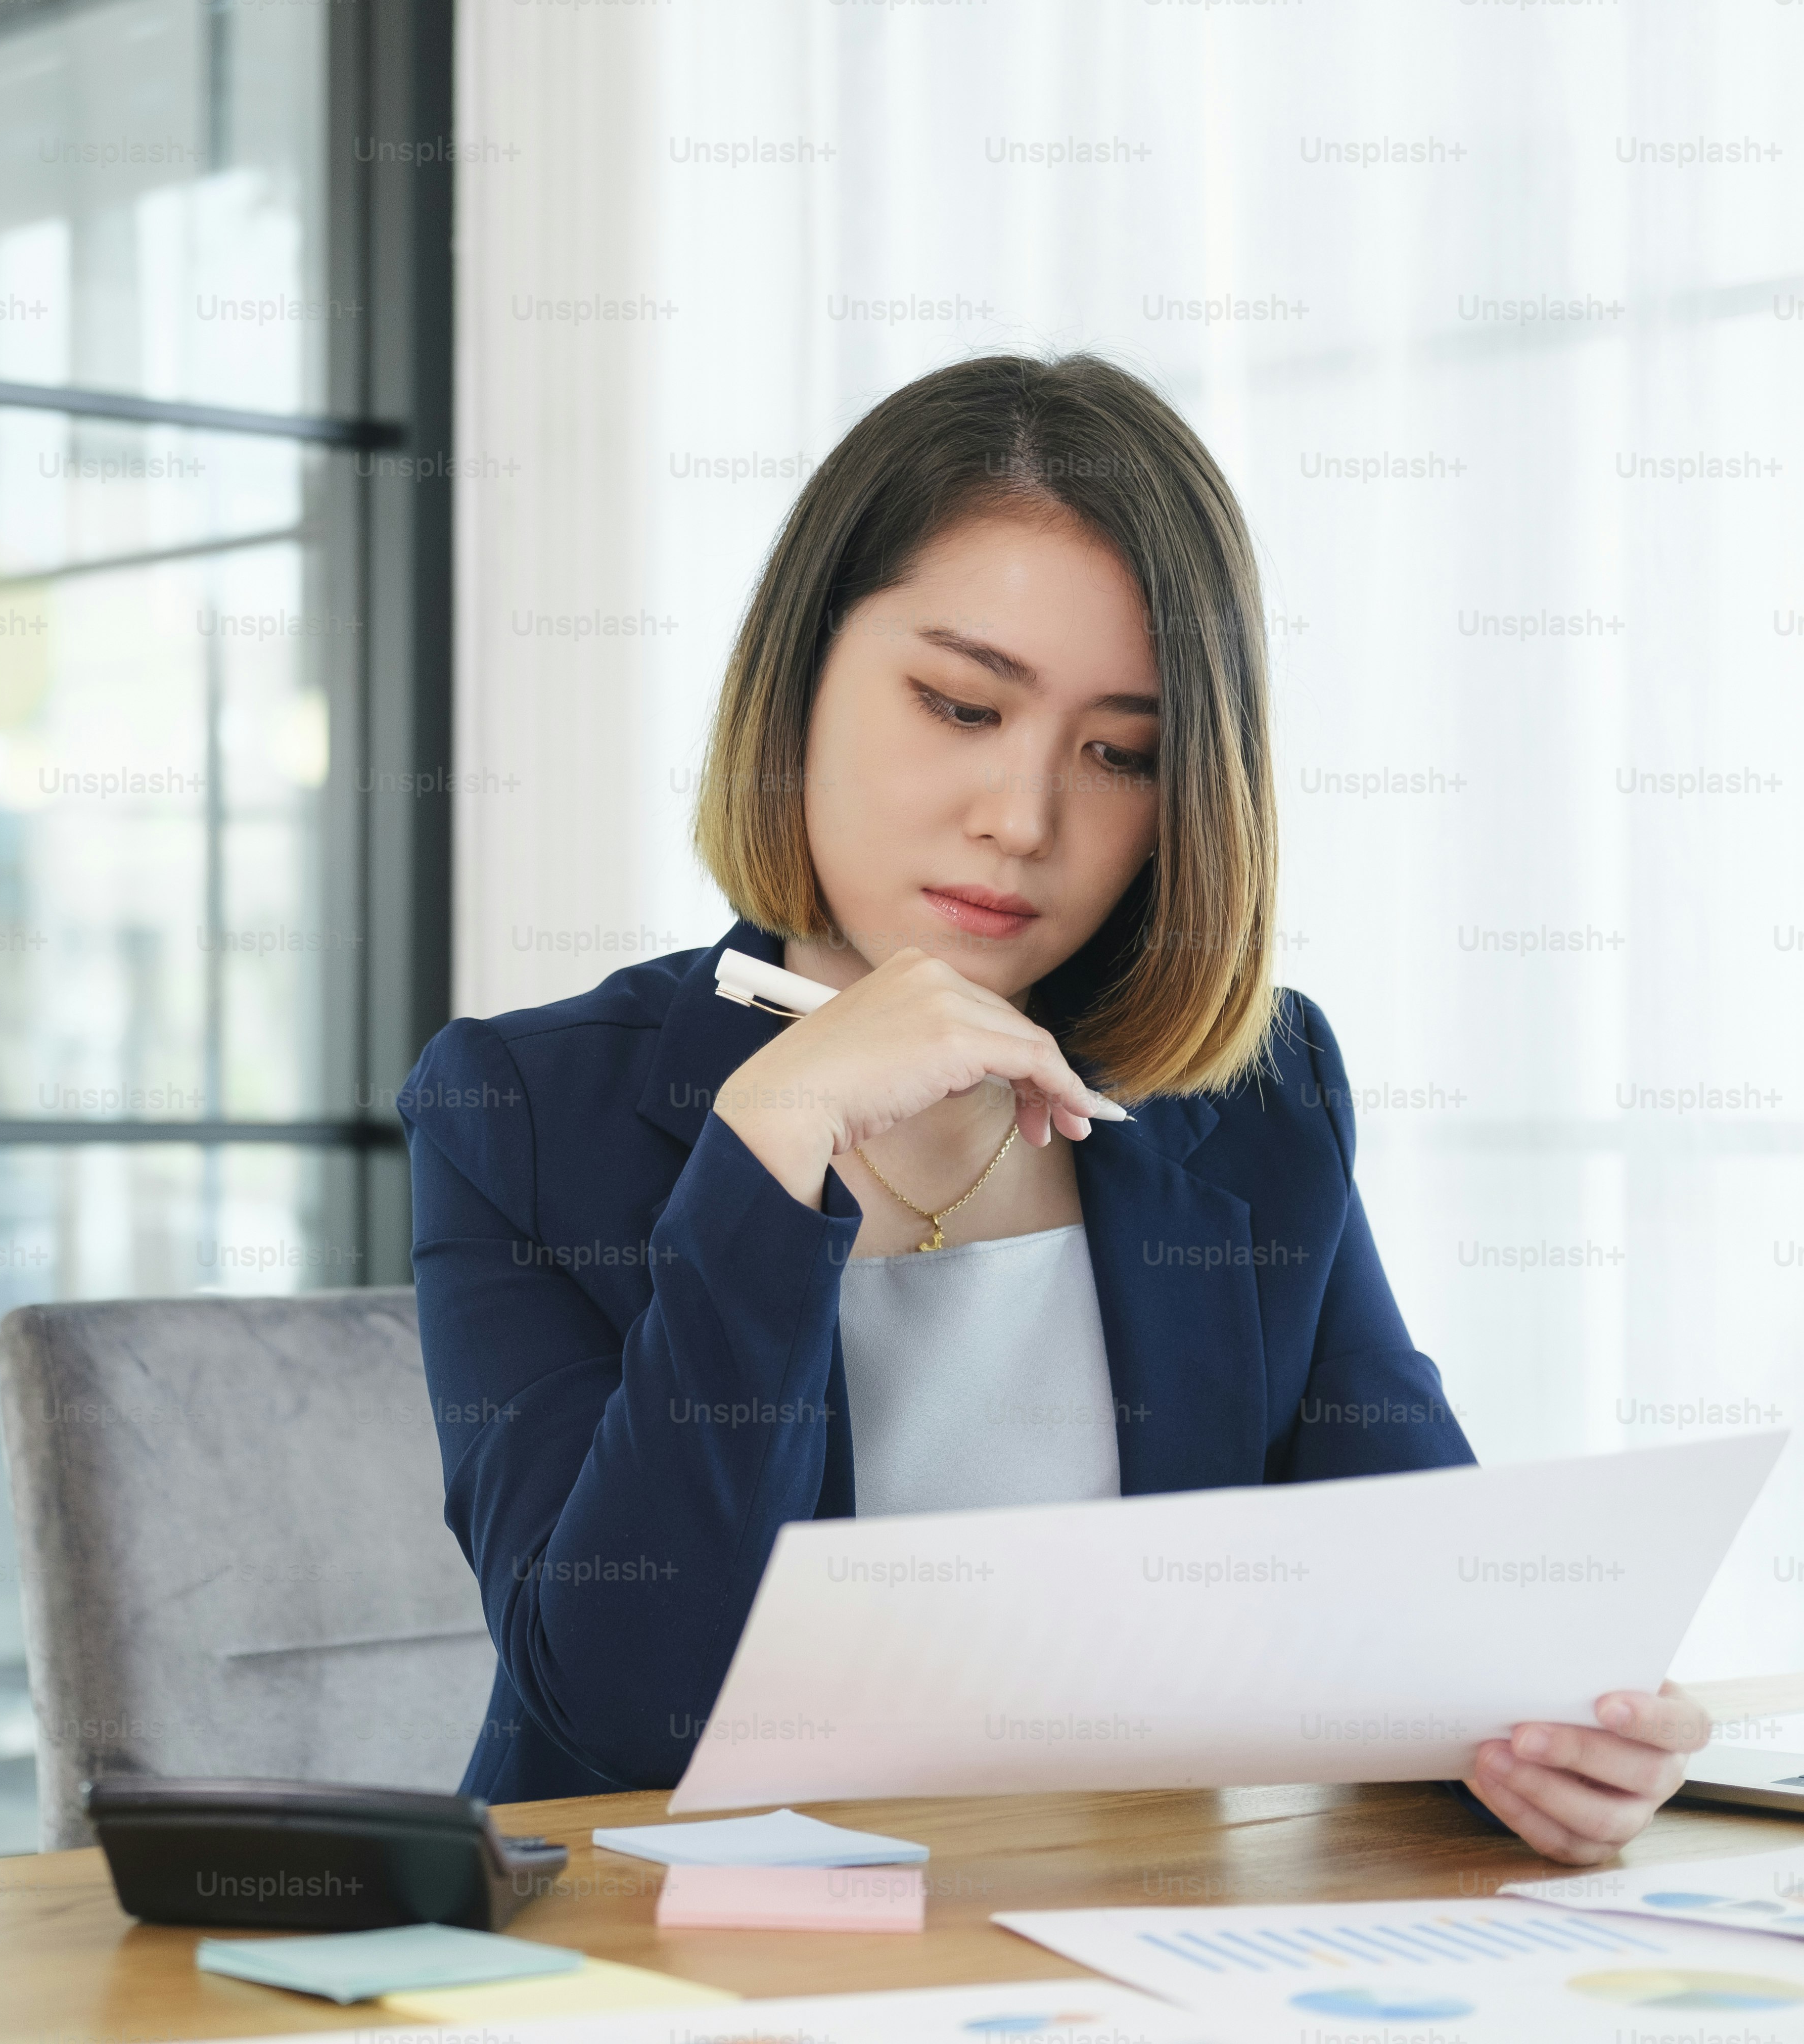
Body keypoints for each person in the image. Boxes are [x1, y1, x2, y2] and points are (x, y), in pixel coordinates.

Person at [398, 353, 1704, 1866]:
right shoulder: (522, 1110)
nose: (1021, 820)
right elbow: (636, 1717)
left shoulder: (1254, 1094)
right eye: (961, 705)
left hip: (1119, 1934)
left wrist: (1552, 1744)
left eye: (1118, 754)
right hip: (672, 1953)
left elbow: (1421, 1619)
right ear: (798, 680)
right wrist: (769, 1156)